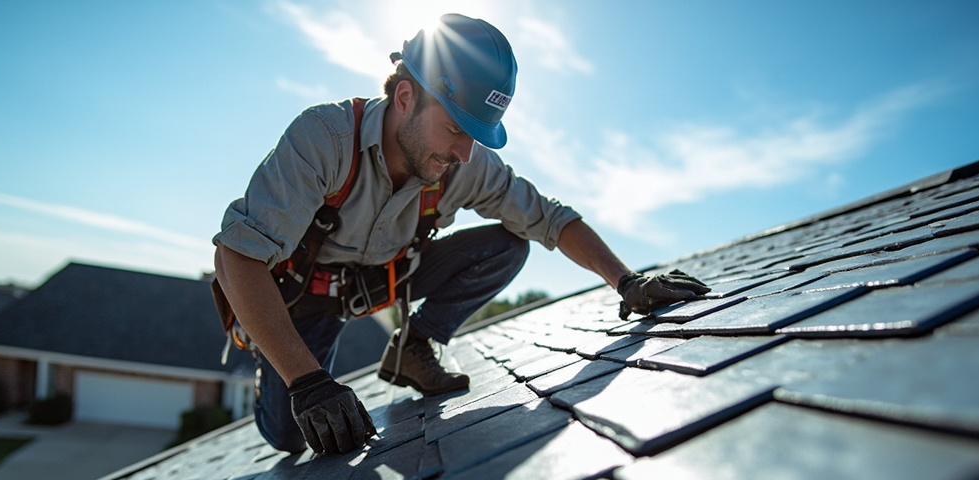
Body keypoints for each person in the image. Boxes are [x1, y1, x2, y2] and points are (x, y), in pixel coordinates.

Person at [212, 14, 708, 455]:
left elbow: (550, 219)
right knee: (293, 435)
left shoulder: (459, 162)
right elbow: (237, 259)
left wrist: (627, 282)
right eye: (455, 128)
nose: (466, 153)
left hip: (386, 279)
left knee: (507, 245)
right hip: (306, 301)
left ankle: (415, 346)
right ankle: (273, 370)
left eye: (476, 134)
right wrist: (307, 381)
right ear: (405, 97)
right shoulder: (325, 138)